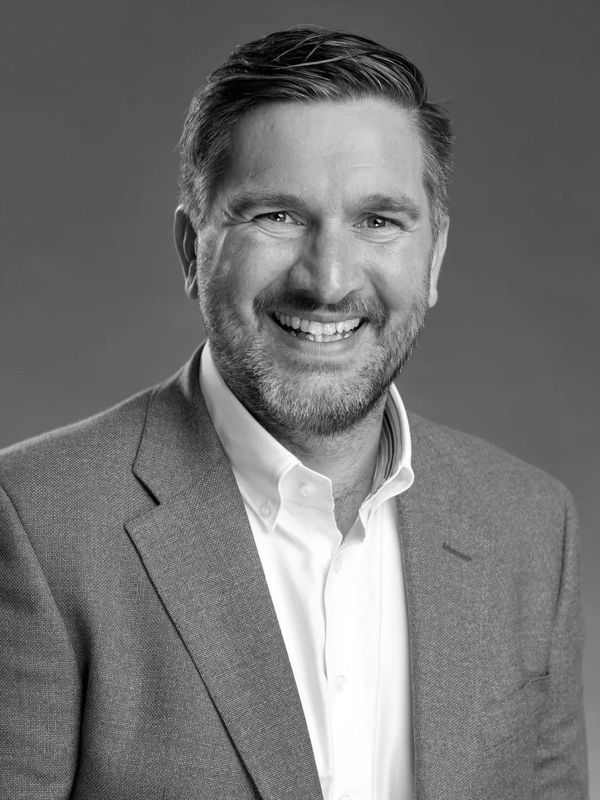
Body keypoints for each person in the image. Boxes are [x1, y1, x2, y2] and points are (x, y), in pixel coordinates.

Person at [0, 26, 588, 800]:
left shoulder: (531, 525)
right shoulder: (35, 522)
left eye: (379, 221)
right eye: (278, 215)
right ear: (192, 249)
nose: (329, 281)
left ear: (435, 256)